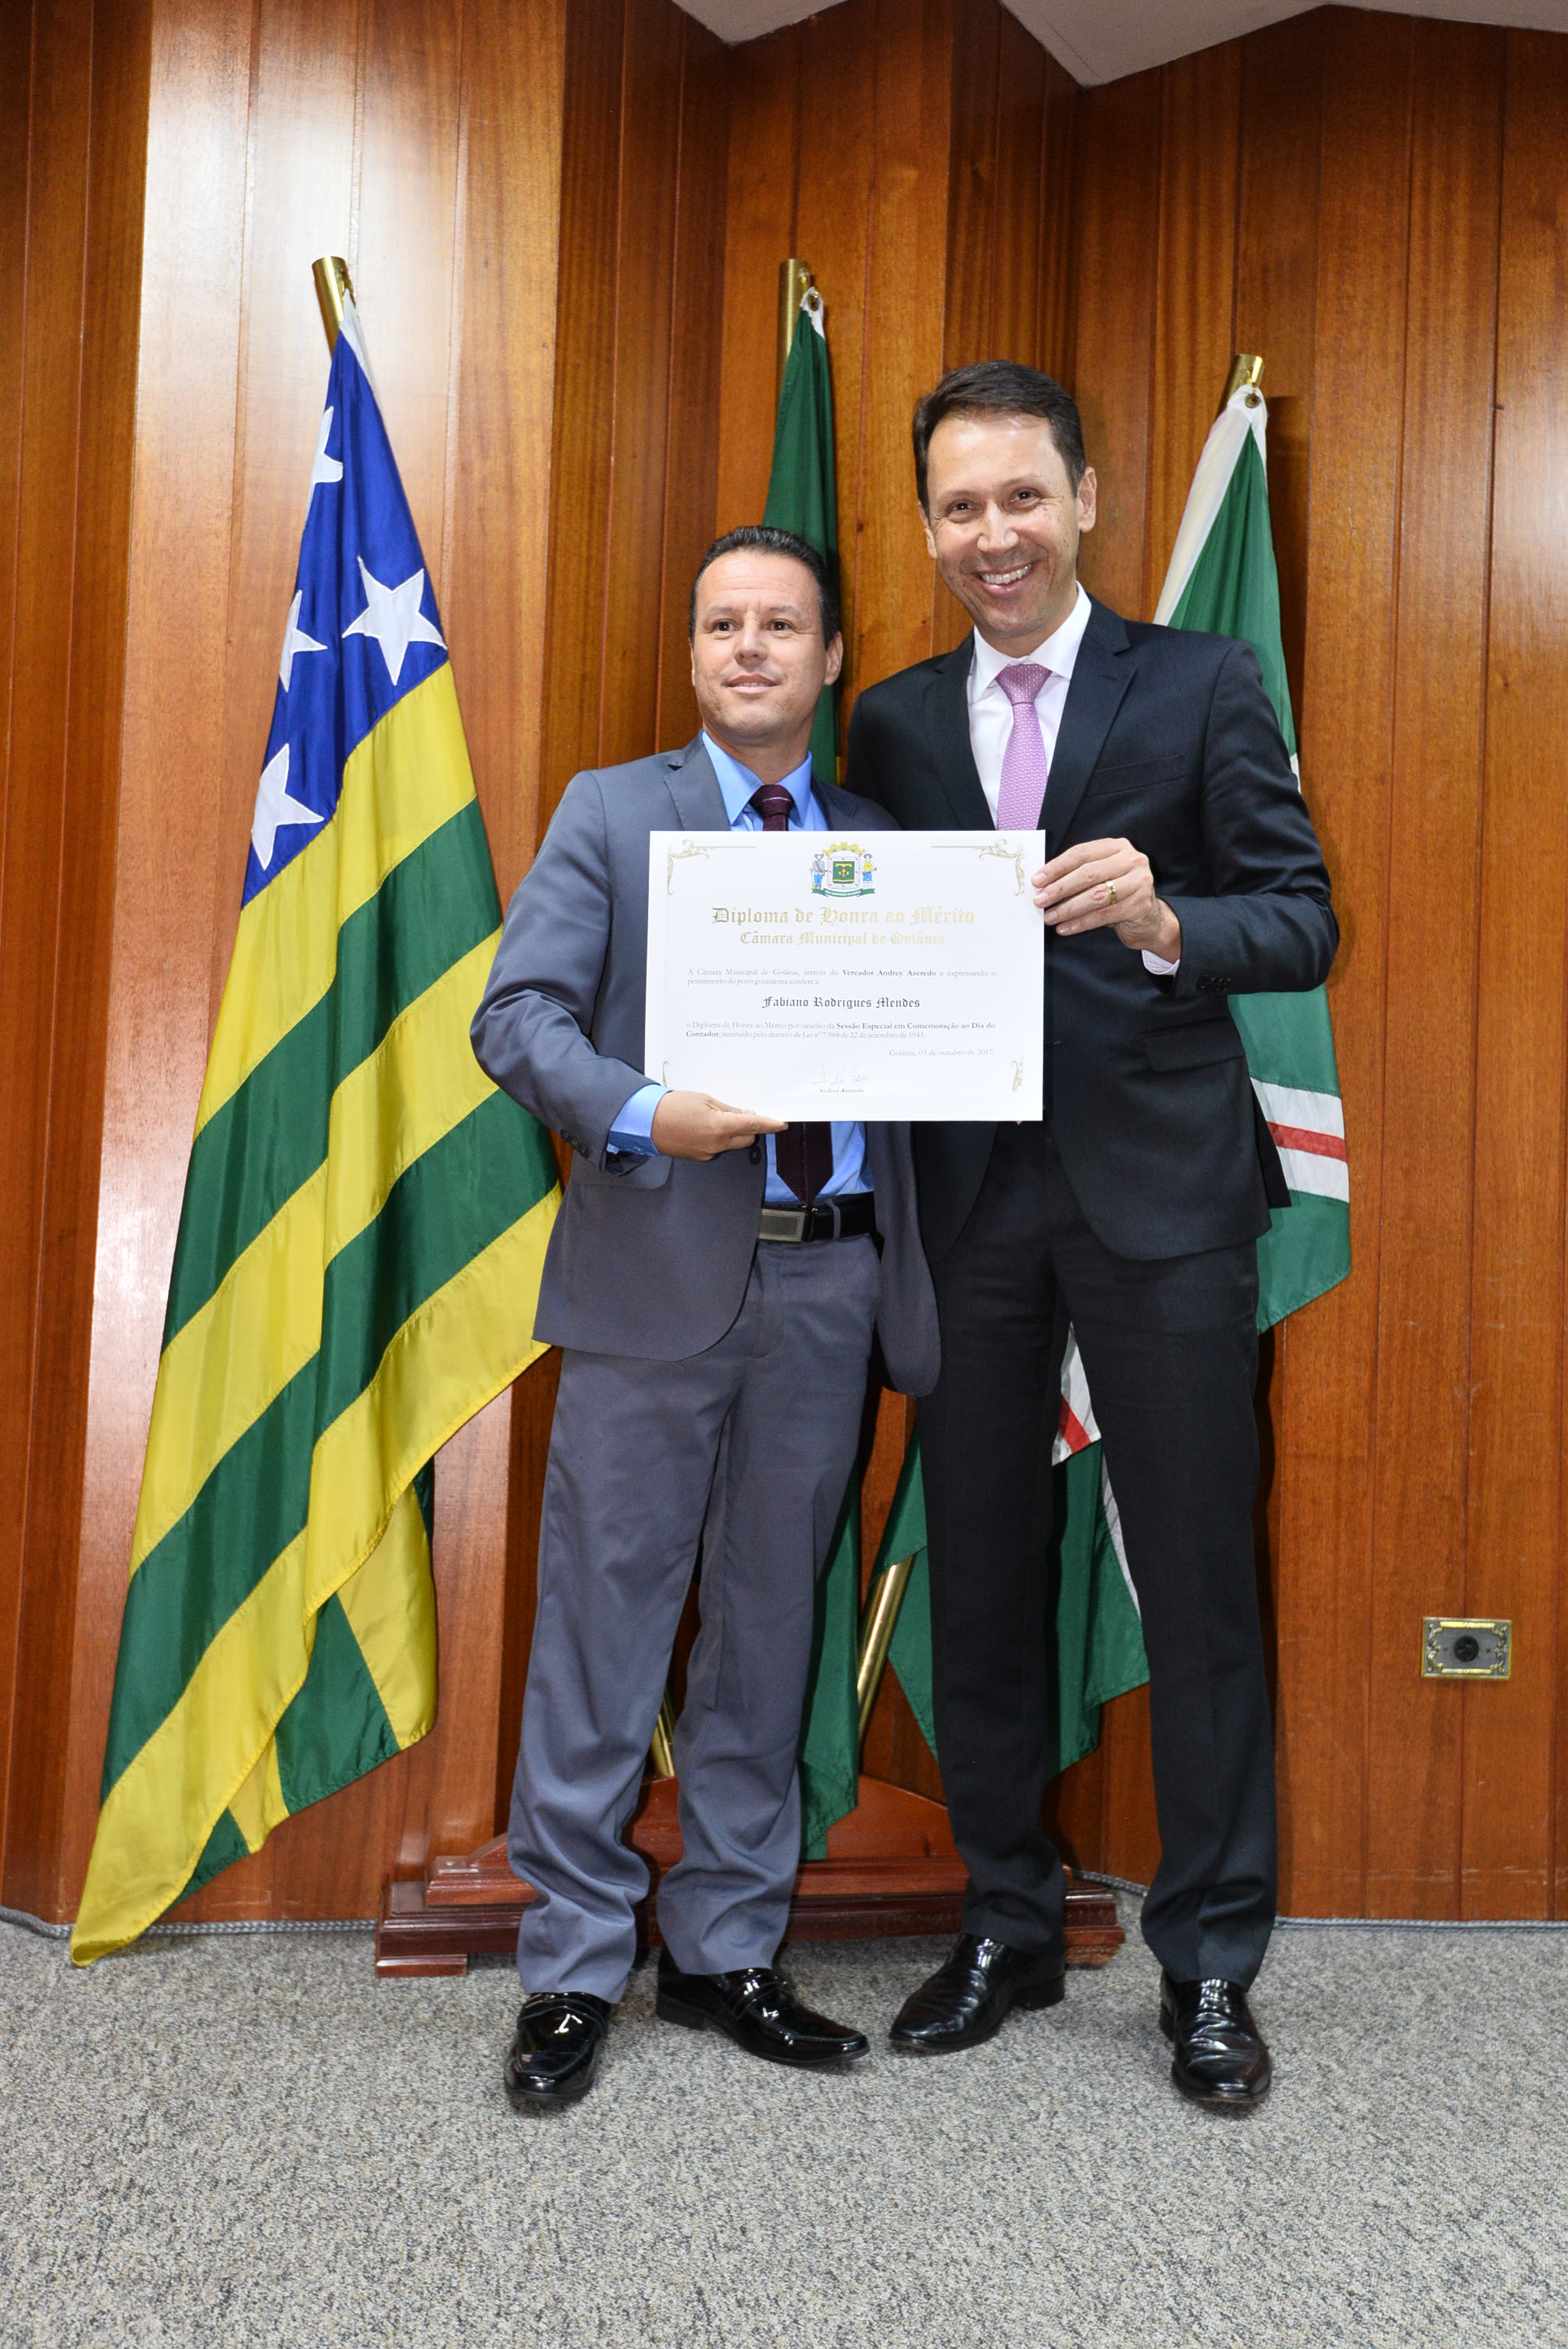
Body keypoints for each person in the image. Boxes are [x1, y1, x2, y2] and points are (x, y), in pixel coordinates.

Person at [844, 362, 1338, 2108]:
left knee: (1198, 1579)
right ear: (928, 527)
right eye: (959, 506)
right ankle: (1007, 1919)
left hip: (1163, 1197)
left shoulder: (1202, 682)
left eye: (1022, 497)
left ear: (1086, 500)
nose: (994, 534)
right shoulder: (892, 723)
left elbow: (1300, 922)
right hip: (966, 1204)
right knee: (981, 1571)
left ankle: (1210, 1963)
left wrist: (1164, 916)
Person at [472, 524, 939, 2113]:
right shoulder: (613, 813)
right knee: (603, 1625)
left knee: (767, 1626)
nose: (750, 647)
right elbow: (516, 1016)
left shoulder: (886, 845)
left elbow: (936, 1050)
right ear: (693, 654)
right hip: (648, 1279)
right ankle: (570, 1964)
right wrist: (644, 1109)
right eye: (723, 623)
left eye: (781, 625)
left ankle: (726, 1949)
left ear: (829, 659)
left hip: (829, 1285)